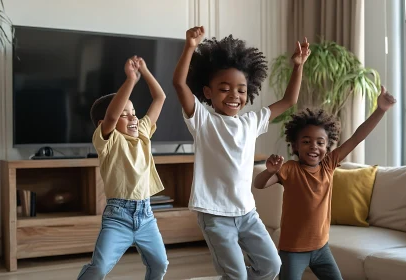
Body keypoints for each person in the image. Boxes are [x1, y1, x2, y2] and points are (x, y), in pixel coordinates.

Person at [172, 25, 310, 279]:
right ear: (207, 92)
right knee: (236, 275)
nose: (234, 95)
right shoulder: (203, 120)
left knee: (271, 266)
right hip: (215, 215)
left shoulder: (252, 122)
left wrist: (298, 66)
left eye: (241, 90)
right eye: (224, 89)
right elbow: (179, 84)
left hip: (247, 213)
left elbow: (289, 101)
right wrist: (190, 47)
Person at [253, 86, 396, 280]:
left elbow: (356, 138)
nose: (314, 146)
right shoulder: (290, 169)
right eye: (306, 141)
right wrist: (269, 171)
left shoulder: (329, 164)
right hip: (293, 251)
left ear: (327, 146)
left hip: (321, 249)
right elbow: (259, 184)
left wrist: (380, 110)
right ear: (295, 145)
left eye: (320, 142)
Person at [78, 57, 168, 280]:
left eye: (134, 112)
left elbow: (160, 97)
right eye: (125, 114)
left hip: (146, 216)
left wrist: (145, 71)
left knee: (160, 265)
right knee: (99, 268)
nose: (133, 117)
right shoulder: (108, 141)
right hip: (118, 217)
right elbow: (110, 115)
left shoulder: (144, 131)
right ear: (102, 125)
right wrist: (130, 80)